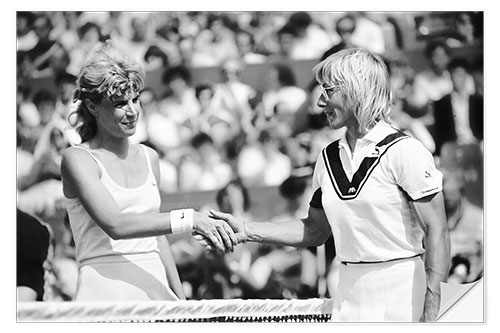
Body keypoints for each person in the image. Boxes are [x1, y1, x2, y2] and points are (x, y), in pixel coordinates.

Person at [202, 48, 450, 322]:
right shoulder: (327, 157)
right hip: (347, 296)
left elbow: (437, 230)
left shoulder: (405, 151)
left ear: (357, 90)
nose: (320, 101)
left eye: (329, 90)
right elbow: (314, 230)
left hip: (404, 295)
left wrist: (432, 307)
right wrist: (246, 230)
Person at [61, 40, 235, 302]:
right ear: (93, 107)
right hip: (104, 292)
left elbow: (157, 238)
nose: (132, 111)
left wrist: (180, 300)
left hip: (155, 290)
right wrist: (190, 218)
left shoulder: (149, 157)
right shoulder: (78, 159)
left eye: (135, 99)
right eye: (120, 103)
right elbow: (116, 225)